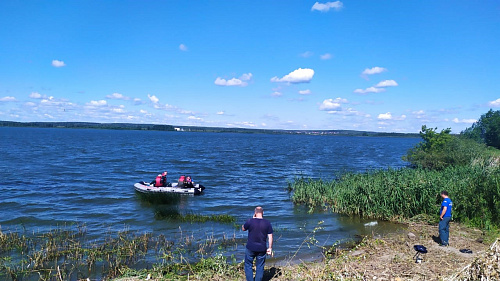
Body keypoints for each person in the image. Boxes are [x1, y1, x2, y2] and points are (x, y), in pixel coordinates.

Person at [242, 206, 273, 281]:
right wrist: (270, 248)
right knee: (260, 266)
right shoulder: (267, 223)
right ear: (263, 213)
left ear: (255, 213)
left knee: (248, 265)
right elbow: (270, 237)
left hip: (250, 247)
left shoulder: (250, 221)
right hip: (262, 248)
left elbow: (243, 228)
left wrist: (253, 218)